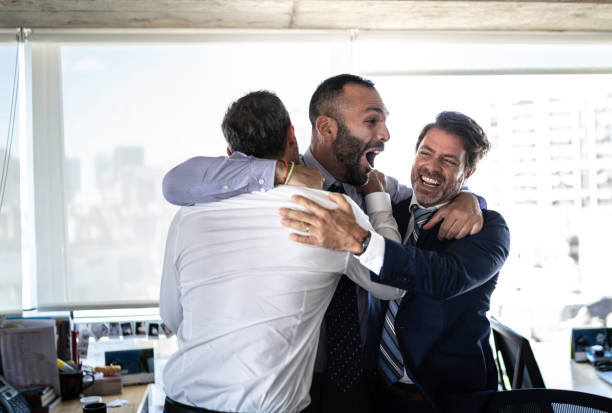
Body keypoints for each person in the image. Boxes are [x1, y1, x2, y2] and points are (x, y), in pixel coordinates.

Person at [161, 74, 485, 412]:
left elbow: (430, 198)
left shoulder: (379, 188)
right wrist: (282, 174)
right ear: (324, 128)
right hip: (290, 391)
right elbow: (176, 182)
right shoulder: (322, 206)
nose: (386, 134)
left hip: (355, 384)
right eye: (372, 120)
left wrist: (468, 198)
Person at [279, 111, 511, 413]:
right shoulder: (392, 211)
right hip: (379, 395)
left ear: (468, 173)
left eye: (449, 160)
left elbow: (442, 278)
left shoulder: (488, 228)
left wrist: (361, 241)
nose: (432, 166)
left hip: (449, 401)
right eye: (426, 153)